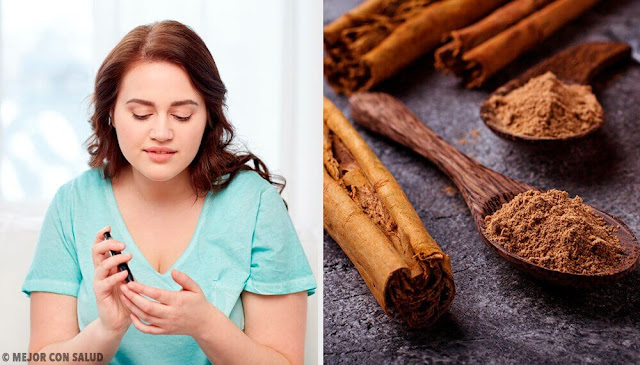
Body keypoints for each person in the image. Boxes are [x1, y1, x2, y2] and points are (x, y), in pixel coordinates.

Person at [21, 20, 316, 365]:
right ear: (111, 114)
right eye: (141, 114)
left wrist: (206, 325)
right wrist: (108, 329)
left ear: (208, 116)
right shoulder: (72, 204)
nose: (161, 132)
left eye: (182, 114)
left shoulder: (254, 204)